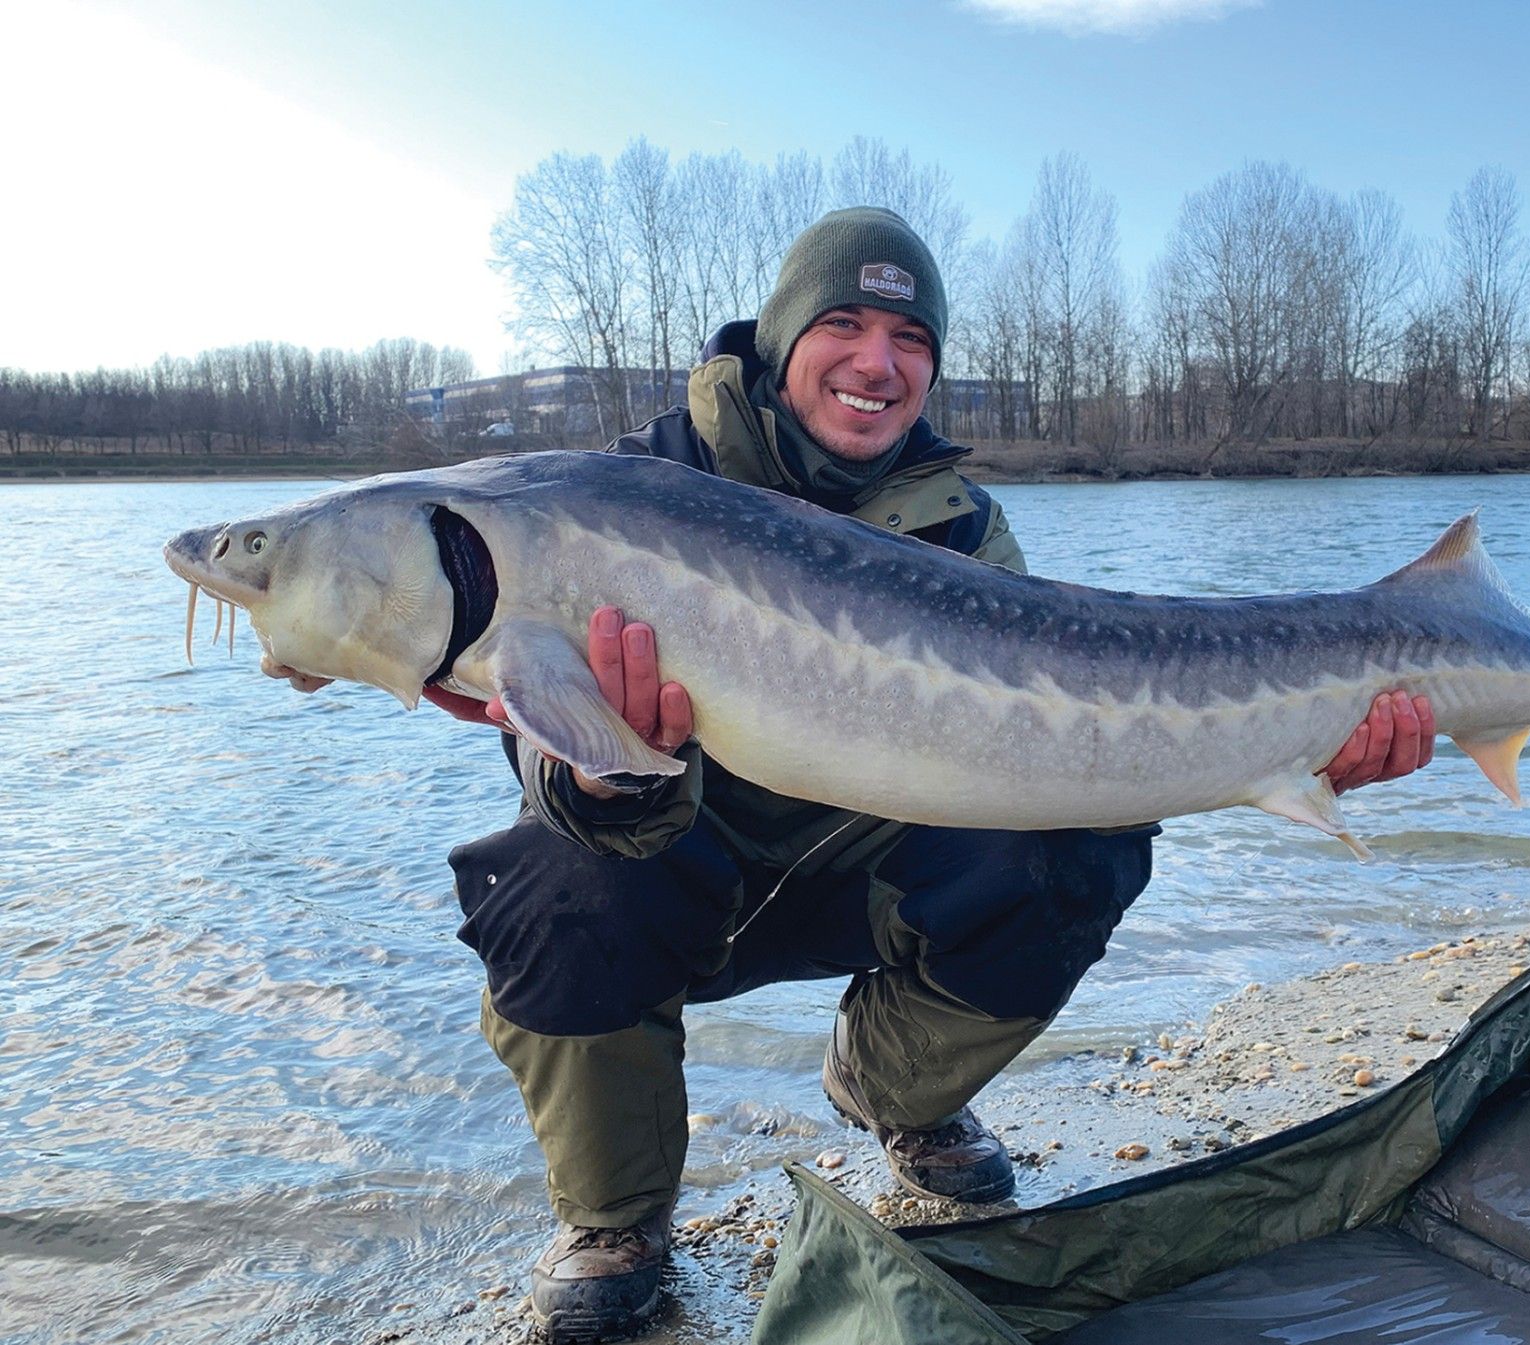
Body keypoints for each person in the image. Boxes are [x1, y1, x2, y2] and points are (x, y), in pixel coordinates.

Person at [267, 206, 1436, 1343]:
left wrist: (1300, 748)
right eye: (845, 327)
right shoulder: (615, 488)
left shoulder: (964, 525)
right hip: (678, 863)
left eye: (912, 342)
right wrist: (615, 774)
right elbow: (544, 757)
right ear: (781, 342)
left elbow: (1078, 733)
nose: (879, 363)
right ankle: (615, 1223)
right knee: (549, 882)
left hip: (864, 869)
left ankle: (898, 1096)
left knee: (1092, 839)